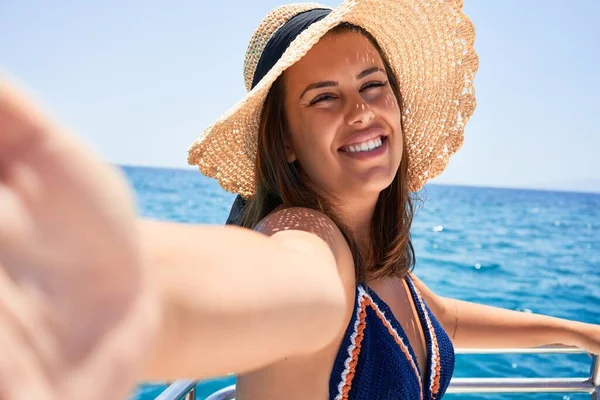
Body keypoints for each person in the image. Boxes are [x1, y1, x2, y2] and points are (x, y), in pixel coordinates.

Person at [0, 1, 598, 400]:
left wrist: (581, 333)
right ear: (284, 140)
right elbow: (267, 284)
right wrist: (74, 290)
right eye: (324, 98)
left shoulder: (379, 261)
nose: (361, 110)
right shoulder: (310, 243)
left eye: (372, 86)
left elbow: (439, 318)